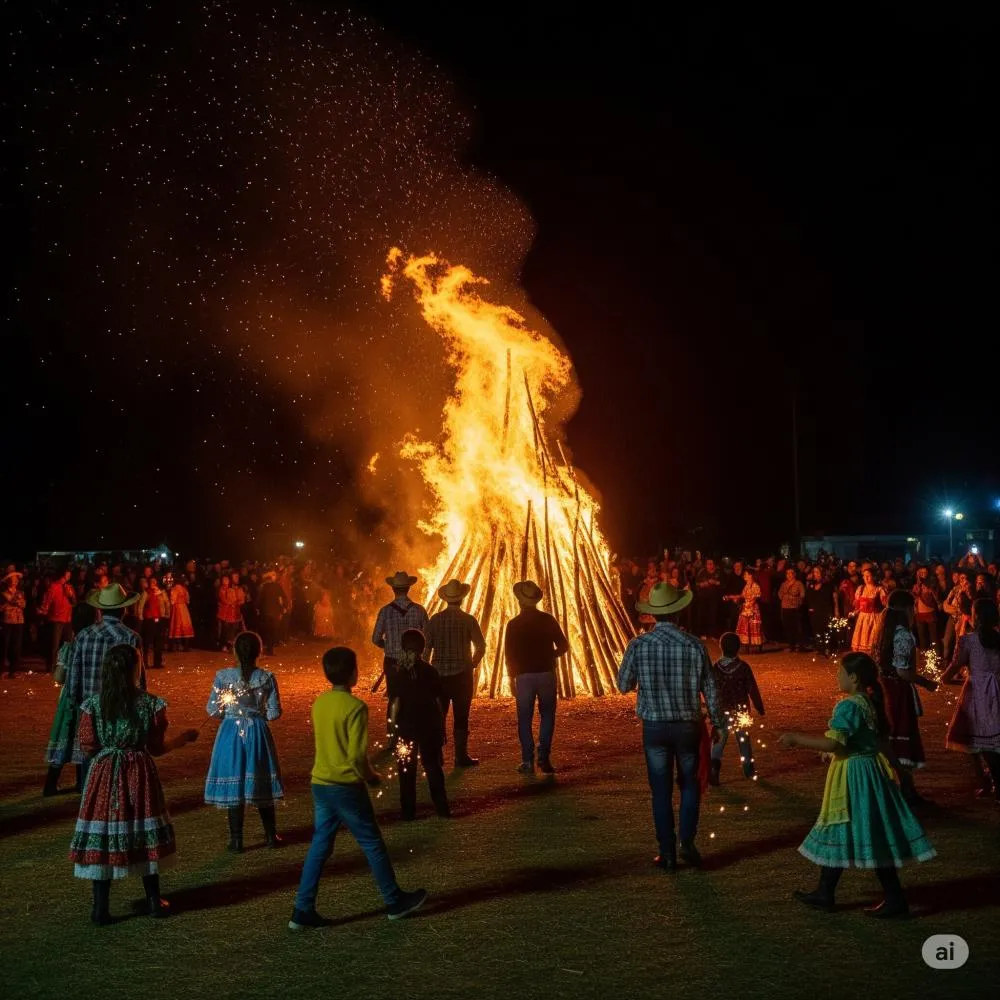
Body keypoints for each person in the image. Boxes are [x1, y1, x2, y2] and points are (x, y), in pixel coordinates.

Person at [780, 652, 935, 918]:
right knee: (855, 828)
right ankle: (825, 891)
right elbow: (880, 741)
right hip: (869, 772)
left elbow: (835, 743)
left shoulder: (849, 706)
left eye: (841, 672)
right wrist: (899, 770)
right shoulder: (869, 702)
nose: (837, 677)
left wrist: (796, 739)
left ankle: (892, 898)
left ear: (853, 677)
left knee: (859, 828)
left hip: (855, 776)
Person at [288, 646, 427, 930]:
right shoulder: (356, 708)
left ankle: (302, 910)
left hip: (321, 783)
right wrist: (371, 775)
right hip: (345, 785)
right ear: (353, 673)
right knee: (372, 843)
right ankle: (394, 901)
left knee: (320, 845)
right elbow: (354, 755)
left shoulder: (320, 703)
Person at [69, 644, 199, 925]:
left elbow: (89, 745)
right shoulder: (150, 704)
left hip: (104, 774)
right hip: (138, 771)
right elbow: (156, 747)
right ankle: (153, 901)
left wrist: (110, 751)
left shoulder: (93, 705)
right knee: (143, 826)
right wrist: (182, 739)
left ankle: (100, 908)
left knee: (104, 829)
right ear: (134, 669)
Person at [617, 582, 724, 871]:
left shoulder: (638, 645)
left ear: (652, 614)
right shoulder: (694, 645)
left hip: (655, 727)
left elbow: (623, 684)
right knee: (689, 785)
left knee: (660, 791)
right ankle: (687, 843)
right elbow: (711, 688)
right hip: (688, 724)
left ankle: (666, 851)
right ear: (679, 611)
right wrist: (718, 722)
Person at [204, 631, 285, 850]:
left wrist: (229, 712)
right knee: (259, 778)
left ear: (235, 651)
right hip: (256, 731)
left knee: (235, 780)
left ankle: (236, 839)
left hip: (230, 732)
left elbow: (213, 709)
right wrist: (257, 713)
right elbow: (274, 713)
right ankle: (270, 836)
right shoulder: (266, 678)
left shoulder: (223, 677)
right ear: (259, 652)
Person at [66, 584, 144, 786]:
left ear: (100, 610)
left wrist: (75, 703)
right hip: (122, 706)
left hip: (89, 705)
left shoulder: (83, 636)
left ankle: (89, 799)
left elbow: (73, 677)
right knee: (118, 755)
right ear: (123, 610)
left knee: (89, 754)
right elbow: (139, 679)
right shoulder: (131, 637)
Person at [873, 590, 938, 806]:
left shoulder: (885, 630)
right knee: (901, 736)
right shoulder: (902, 634)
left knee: (889, 736)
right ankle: (907, 788)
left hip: (885, 687)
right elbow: (903, 671)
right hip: (897, 690)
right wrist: (926, 682)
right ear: (908, 609)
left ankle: (903, 786)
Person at [504, 580, 569, 775]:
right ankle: (544, 756)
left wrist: (511, 678)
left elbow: (509, 655)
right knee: (547, 715)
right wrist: (550, 656)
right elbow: (563, 646)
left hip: (523, 677)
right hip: (546, 674)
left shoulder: (513, 624)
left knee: (524, 718)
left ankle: (527, 760)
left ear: (519, 601)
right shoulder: (548, 620)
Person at [941, 598, 1000, 800]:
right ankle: (993, 781)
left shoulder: (968, 640)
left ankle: (990, 781)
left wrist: (944, 678)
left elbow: (956, 665)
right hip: (997, 689)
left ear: (975, 616)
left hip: (978, 692)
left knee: (975, 738)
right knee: (991, 737)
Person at [424, 578, 486, 767]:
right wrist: (472, 663)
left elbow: (426, 648)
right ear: (461, 599)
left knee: (438, 716)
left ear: (446, 599)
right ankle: (460, 756)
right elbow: (481, 646)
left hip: (438, 676)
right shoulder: (468, 620)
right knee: (461, 716)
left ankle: (438, 755)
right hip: (462, 676)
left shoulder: (434, 620)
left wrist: (426, 670)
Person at [389, 629, 449, 820]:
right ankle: (442, 809)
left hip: (406, 727)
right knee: (433, 767)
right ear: (423, 649)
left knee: (406, 769)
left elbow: (395, 702)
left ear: (403, 647)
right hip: (429, 726)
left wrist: (392, 728)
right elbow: (438, 701)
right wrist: (441, 726)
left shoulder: (398, 672)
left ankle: (408, 812)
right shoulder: (430, 670)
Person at [43, 603, 100, 796]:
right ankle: (80, 782)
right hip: (87, 697)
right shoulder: (93, 644)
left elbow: (59, 677)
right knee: (82, 738)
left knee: (65, 737)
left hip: (68, 699)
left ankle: (52, 783)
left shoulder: (70, 647)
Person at [710, 631, 765, 785]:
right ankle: (748, 768)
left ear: (721, 647)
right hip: (741, 712)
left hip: (722, 712)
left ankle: (714, 768)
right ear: (738, 648)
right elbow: (752, 689)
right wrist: (759, 707)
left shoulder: (716, 668)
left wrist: (711, 709)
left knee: (718, 741)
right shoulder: (743, 668)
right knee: (743, 740)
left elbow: (712, 691)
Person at [372, 571, 429, 713]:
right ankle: (412, 729)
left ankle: (393, 730)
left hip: (392, 662)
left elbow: (375, 639)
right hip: (414, 662)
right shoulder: (419, 610)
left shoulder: (385, 611)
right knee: (414, 697)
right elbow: (427, 637)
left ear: (393, 589)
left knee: (394, 698)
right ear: (408, 588)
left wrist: (388, 645)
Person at [39, 568, 76, 673]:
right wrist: (44, 610)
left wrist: (71, 595)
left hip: (67, 619)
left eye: (69, 575)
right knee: (55, 645)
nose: (69, 577)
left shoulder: (70, 587)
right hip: (56, 619)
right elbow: (48, 601)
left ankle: (65, 666)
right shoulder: (54, 586)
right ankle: (52, 667)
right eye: (67, 575)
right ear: (62, 575)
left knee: (67, 644)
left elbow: (74, 602)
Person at [850, 567, 887, 654]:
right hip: (862, 619)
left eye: (868, 576)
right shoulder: (861, 589)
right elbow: (858, 606)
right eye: (864, 576)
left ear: (873, 576)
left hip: (874, 619)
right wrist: (854, 613)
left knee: (873, 643)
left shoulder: (879, 590)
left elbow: (886, 605)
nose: (865, 578)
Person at [731, 568, 764, 654]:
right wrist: (733, 597)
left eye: (746, 574)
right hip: (746, 608)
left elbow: (756, 597)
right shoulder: (746, 586)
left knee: (753, 627)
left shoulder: (756, 585)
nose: (744, 576)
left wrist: (749, 604)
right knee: (745, 626)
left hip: (752, 609)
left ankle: (756, 647)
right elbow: (742, 596)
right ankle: (746, 646)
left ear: (751, 575)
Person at [805, 565, 837, 654]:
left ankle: (828, 647)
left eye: (817, 572)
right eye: (814, 572)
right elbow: (809, 597)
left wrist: (836, 610)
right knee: (816, 629)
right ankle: (820, 647)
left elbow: (834, 598)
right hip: (815, 611)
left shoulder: (828, 584)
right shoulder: (811, 585)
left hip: (826, 610)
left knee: (826, 629)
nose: (816, 574)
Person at [1, 570, 26, 677]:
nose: (15, 581)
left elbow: (23, 605)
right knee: (4, 645)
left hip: (18, 621)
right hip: (7, 621)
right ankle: (2, 669)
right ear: (8, 581)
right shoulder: (3, 594)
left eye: (16, 579)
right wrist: (9, 603)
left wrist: (18, 603)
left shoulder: (20, 593)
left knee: (16, 646)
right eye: (13, 579)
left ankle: (13, 670)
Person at [257, 570, 287, 655]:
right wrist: (283, 608)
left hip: (266, 611)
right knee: (273, 630)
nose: (275, 577)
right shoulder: (276, 586)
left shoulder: (263, 587)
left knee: (268, 630)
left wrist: (258, 608)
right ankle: (270, 649)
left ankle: (268, 648)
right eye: (274, 575)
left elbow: (259, 599)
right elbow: (282, 598)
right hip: (274, 612)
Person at [141, 577, 169, 669]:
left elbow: (166, 603)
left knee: (158, 641)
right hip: (149, 619)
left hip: (159, 618)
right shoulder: (147, 593)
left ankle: (158, 662)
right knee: (148, 641)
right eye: (151, 582)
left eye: (154, 582)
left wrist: (167, 614)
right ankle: (146, 662)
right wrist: (140, 617)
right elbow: (141, 605)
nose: (153, 583)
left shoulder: (161, 593)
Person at [778, 566, 806, 651]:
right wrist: (784, 597)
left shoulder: (798, 583)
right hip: (785, 607)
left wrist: (795, 600)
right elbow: (779, 594)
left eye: (791, 573)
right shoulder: (783, 584)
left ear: (794, 574)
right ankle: (791, 645)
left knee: (797, 627)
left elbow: (802, 595)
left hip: (794, 608)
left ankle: (801, 645)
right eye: (787, 573)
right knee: (788, 626)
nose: (789, 575)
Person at [168, 575, 195, 651]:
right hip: (184, 608)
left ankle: (174, 646)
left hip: (177, 608)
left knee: (176, 624)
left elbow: (172, 601)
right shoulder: (184, 589)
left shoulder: (174, 589)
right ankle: (186, 645)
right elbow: (188, 600)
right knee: (185, 624)